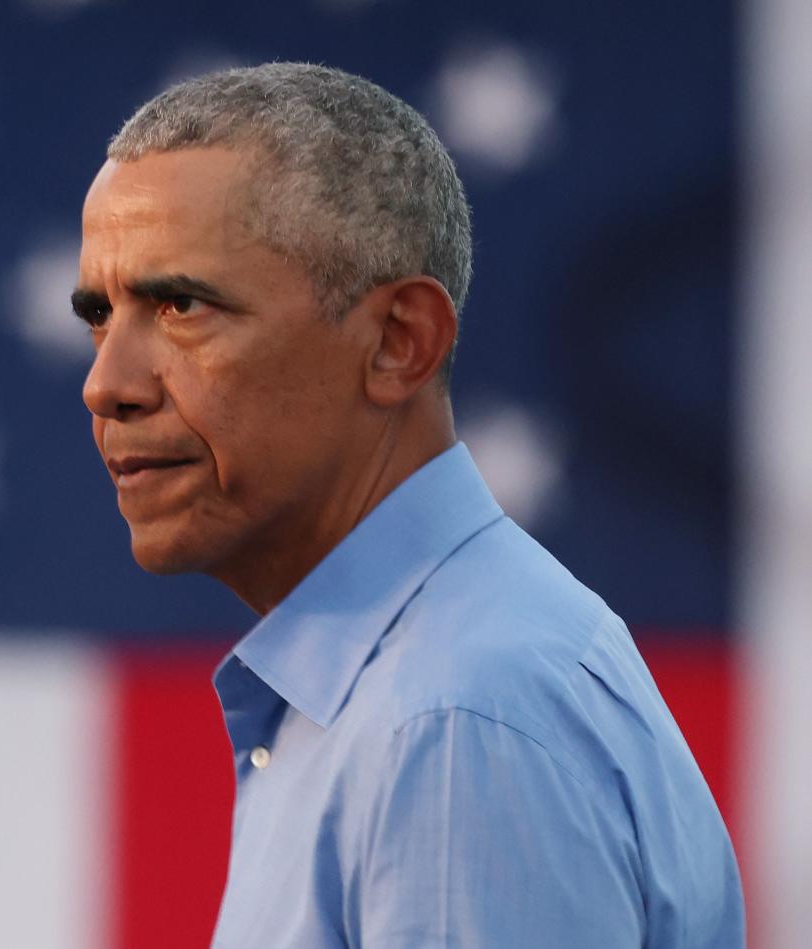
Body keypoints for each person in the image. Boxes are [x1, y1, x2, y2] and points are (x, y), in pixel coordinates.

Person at [73, 62, 744, 948]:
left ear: (400, 342)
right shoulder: (417, 689)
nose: (105, 384)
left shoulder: (456, 722)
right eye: (99, 316)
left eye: (181, 304)